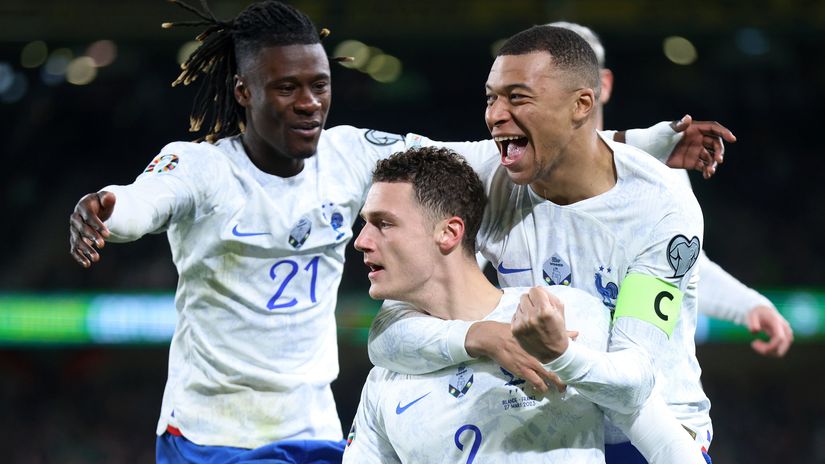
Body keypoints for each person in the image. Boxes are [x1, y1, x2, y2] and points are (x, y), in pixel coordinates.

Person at [67, 2, 728, 461]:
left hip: (310, 425)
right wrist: (105, 211)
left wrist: (651, 139)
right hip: (209, 435)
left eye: (319, 86)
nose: (309, 103)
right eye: (287, 87)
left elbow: (479, 152)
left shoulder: (351, 153)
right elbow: (141, 201)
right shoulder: (203, 167)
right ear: (244, 92)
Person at [368, 25, 715, 463]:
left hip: (648, 436)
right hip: (555, 424)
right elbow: (385, 338)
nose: (495, 114)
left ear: (582, 104)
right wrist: (480, 335)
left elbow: (633, 383)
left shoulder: (659, 208)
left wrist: (562, 353)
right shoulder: (487, 174)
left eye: (517, 97)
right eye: (491, 97)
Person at [343, 146, 704, 463]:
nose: (361, 241)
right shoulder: (386, 373)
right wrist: (479, 336)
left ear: (449, 233)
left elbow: (660, 437)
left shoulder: (563, 315)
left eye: (384, 224)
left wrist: (563, 355)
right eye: (365, 224)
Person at [549, 20, 793, 360]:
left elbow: (681, 264)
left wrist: (747, 304)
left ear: (603, 85)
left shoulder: (657, 167)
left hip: (645, 386)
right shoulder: (510, 177)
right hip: (552, 388)